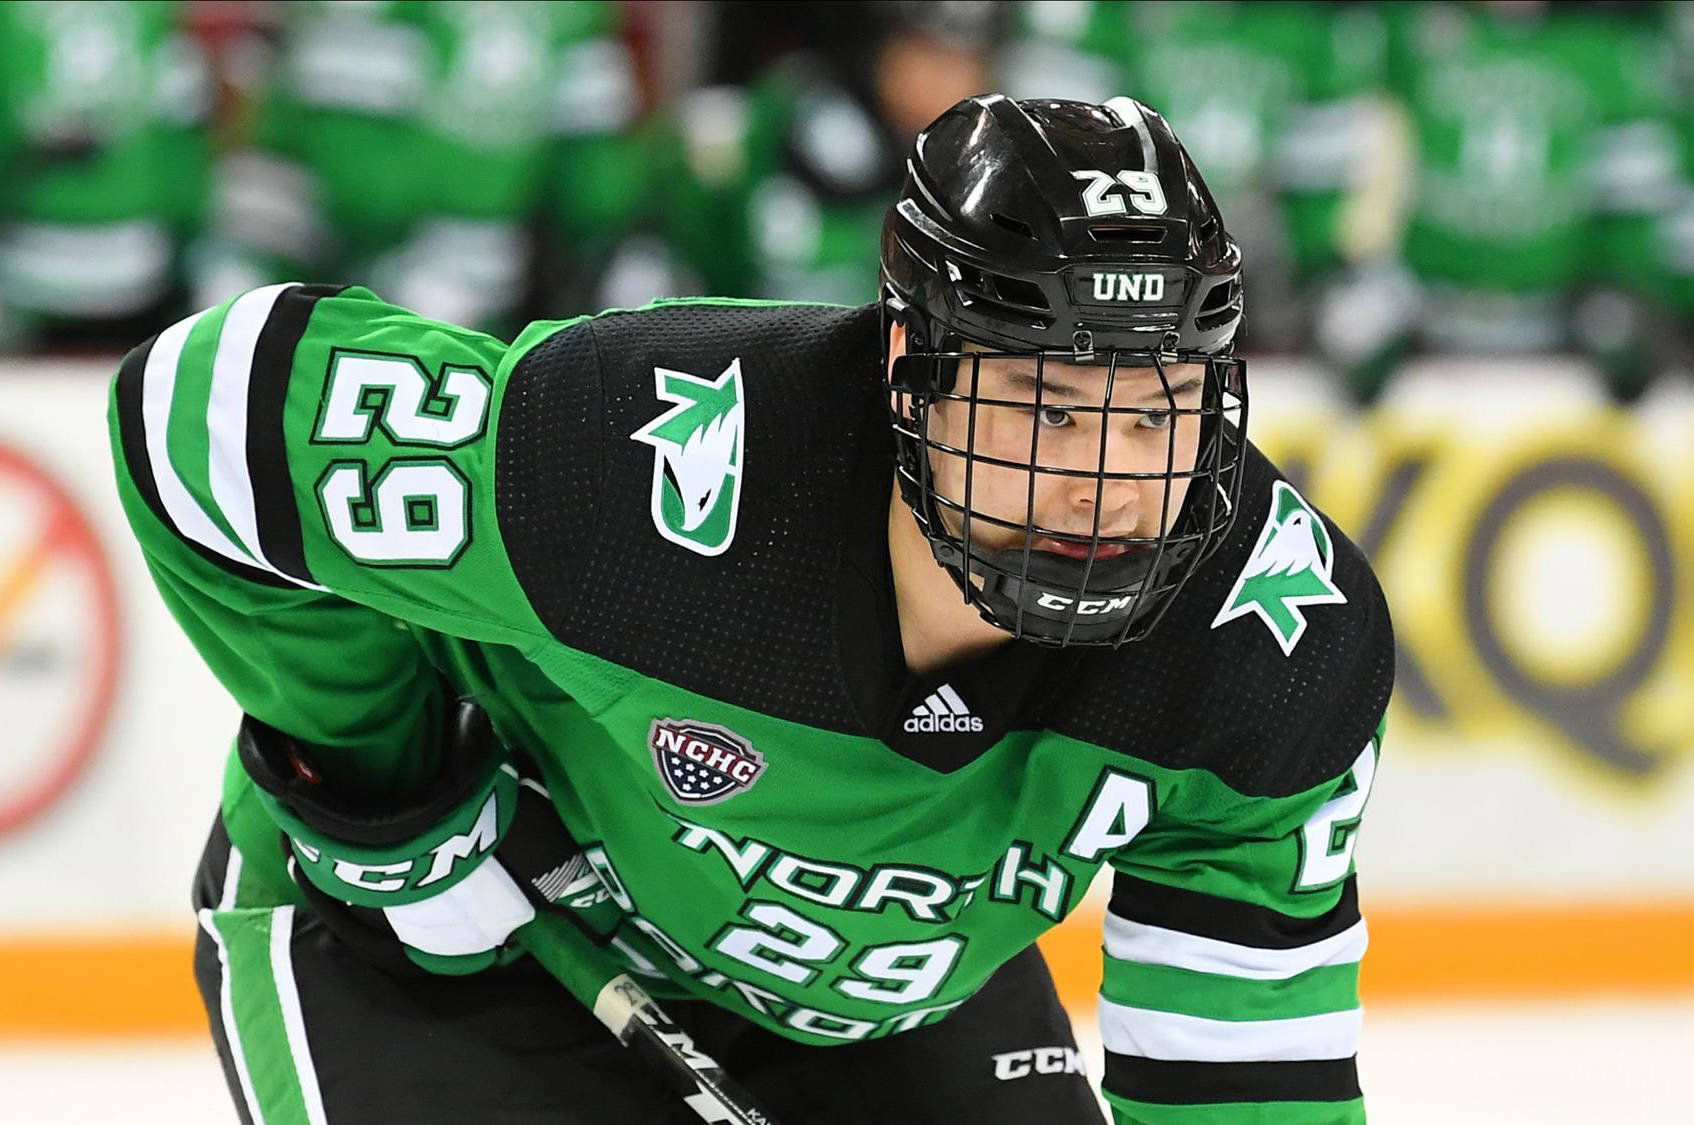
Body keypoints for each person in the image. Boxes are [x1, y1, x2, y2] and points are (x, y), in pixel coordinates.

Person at [109, 95, 1393, 1124]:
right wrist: (388, 791)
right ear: (912, 371)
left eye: (1156, 409)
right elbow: (204, 410)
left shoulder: (1271, 649)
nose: (1101, 484)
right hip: (442, 957)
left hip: (883, 1014)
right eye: (1046, 406)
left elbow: (1244, 1081)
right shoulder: (647, 466)